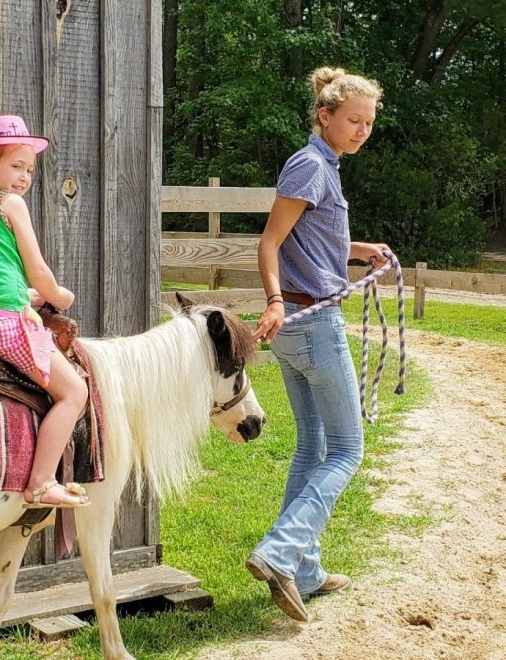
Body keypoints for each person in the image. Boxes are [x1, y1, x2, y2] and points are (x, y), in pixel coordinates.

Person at [247, 67, 389, 621]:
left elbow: (311, 239)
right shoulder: (310, 165)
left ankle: (302, 572)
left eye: (369, 123)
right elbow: (271, 241)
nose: (362, 131)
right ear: (325, 116)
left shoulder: (321, 166)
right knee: (348, 450)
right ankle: (281, 551)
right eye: (353, 120)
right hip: (309, 323)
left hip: (299, 325)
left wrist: (357, 249)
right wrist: (276, 301)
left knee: (311, 447)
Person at [0, 114, 89, 509]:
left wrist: (26, 297)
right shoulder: (10, 203)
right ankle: (41, 482)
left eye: (29, 170)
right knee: (75, 391)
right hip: (1, 322)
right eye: (15, 166)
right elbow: (36, 268)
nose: (24, 178)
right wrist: (56, 294)